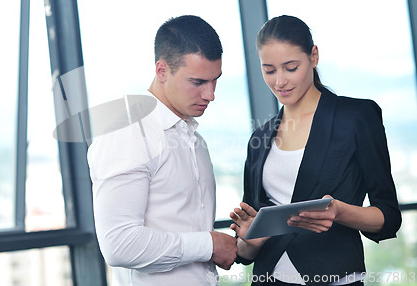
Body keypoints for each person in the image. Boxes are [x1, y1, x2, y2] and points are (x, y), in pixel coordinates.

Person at [229, 15, 401, 286]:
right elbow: (247, 247)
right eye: (269, 70)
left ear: (314, 56)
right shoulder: (259, 138)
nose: (280, 82)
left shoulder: (356, 117)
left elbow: (389, 216)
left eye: (291, 67)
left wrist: (339, 212)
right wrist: (248, 240)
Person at [88, 15, 238, 286]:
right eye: (198, 82)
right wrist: (209, 245)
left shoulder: (194, 139)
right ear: (162, 71)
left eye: (215, 80)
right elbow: (119, 244)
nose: (211, 94)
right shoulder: (128, 132)